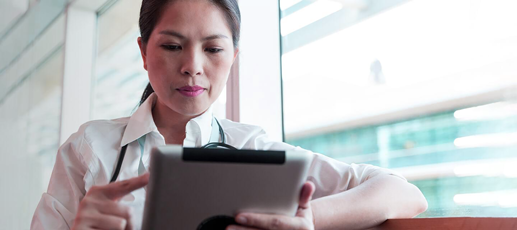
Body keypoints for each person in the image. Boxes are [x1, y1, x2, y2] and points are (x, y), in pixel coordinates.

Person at [31, 0, 428, 229]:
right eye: (172, 47)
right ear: (143, 52)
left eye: (213, 49)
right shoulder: (89, 149)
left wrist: (305, 220)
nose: (192, 66)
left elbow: (404, 193)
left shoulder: (254, 149)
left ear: (233, 57)